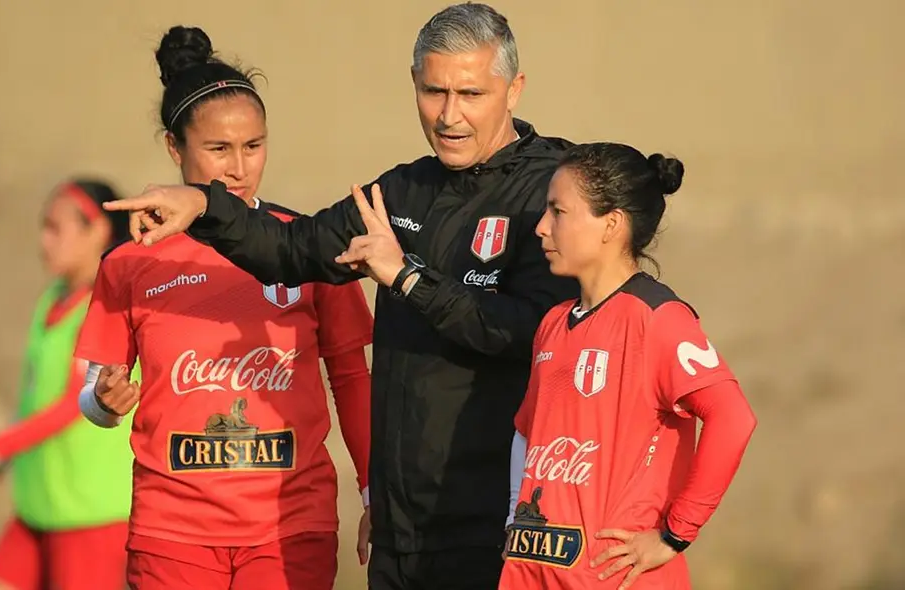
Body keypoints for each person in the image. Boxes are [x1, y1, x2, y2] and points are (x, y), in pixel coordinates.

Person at [103, 4, 582, 588]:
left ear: (514, 90)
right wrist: (206, 207)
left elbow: (527, 332)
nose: (449, 115)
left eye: (471, 93)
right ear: (413, 85)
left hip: (499, 525)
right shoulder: (404, 190)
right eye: (434, 92)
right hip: (404, 528)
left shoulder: (554, 191)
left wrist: (406, 279)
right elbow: (291, 249)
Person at [73, 26, 374, 590]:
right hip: (172, 532)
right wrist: (105, 402)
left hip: (290, 527)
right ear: (174, 147)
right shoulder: (131, 261)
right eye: (218, 149)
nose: (238, 167)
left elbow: (353, 377)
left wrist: (373, 491)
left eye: (253, 146)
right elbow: (93, 394)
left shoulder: (308, 247)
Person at [500, 143, 758, 590]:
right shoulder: (554, 324)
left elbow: (733, 418)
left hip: (615, 580)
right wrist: (513, 519)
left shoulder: (657, 317)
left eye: (558, 211)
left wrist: (675, 534)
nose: (542, 227)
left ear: (611, 225)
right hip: (532, 574)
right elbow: (527, 431)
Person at [0, 179, 136, 590]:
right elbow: (34, 399)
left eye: (54, 228)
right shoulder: (52, 300)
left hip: (89, 514)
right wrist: (0, 467)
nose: (43, 240)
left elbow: (72, 403)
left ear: (98, 230)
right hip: (36, 506)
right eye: (42, 227)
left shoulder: (107, 306)